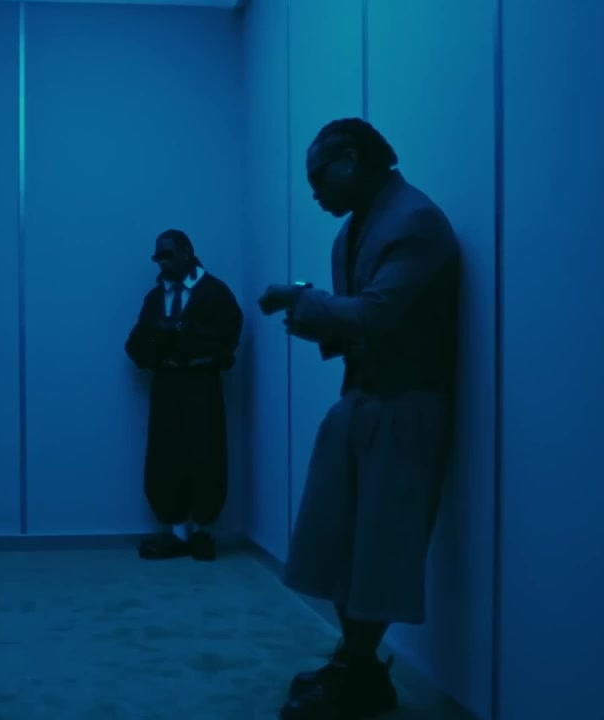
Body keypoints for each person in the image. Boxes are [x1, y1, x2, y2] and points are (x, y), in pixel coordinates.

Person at [258, 118, 461, 720]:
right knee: (335, 544)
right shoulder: (356, 229)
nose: (314, 193)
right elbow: (359, 323)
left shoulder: (415, 221)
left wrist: (303, 302)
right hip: (360, 400)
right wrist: (315, 314)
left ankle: (359, 672)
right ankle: (358, 664)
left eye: (318, 178)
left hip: (405, 406)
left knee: (379, 552)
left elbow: (376, 315)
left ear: (349, 159)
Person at [125, 229, 244, 562]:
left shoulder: (215, 292)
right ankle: (178, 530)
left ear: (187, 253)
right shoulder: (155, 298)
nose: (162, 263)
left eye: (168, 255)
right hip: (166, 384)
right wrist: (158, 333)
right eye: (159, 257)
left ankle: (203, 529)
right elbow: (135, 346)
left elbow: (228, 339)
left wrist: (181, 332)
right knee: (166, 454)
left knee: (207, 452)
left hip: (202, 383)